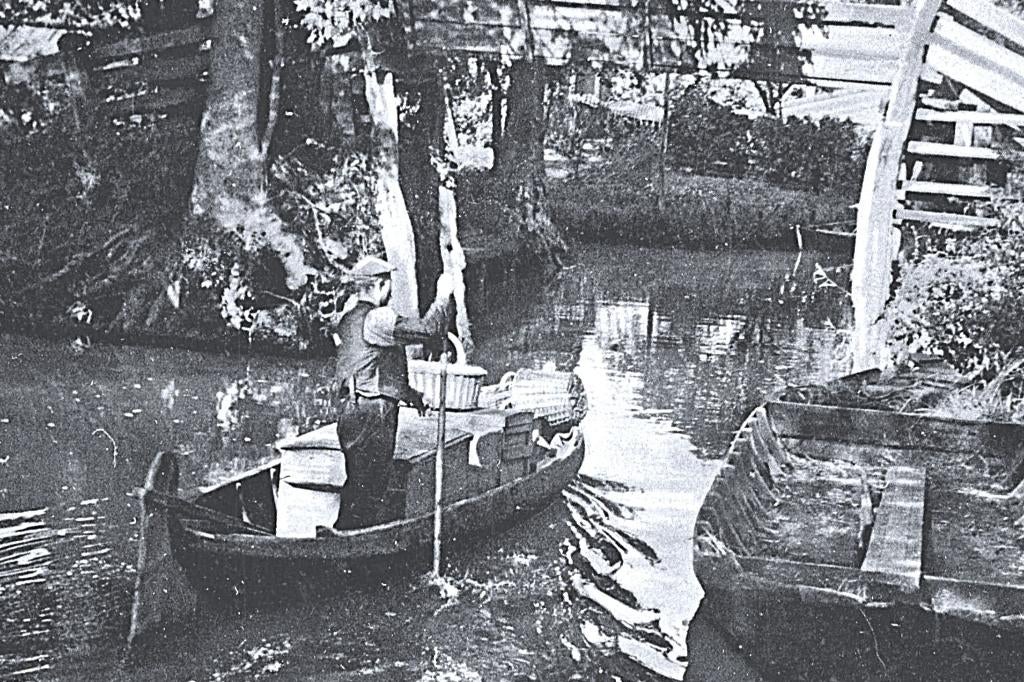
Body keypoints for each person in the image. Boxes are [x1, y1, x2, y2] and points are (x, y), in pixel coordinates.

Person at [330, 256, 453, 529]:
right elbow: (427, 330)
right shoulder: (378, 318)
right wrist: (443, 296)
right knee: (372, 487)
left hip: (351, 411)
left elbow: (370, 364)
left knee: (358, 483)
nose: (391, 292)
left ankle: (344, 538)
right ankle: (353, 547)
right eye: (389, 285)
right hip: (374, 413)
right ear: (379, 285)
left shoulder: (346, 319)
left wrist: (412, 395)